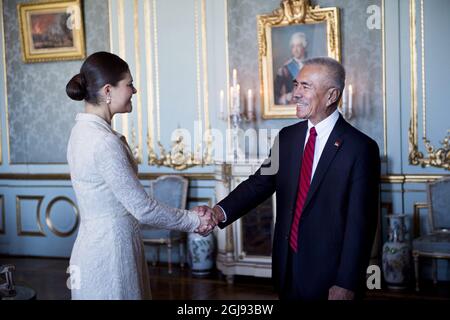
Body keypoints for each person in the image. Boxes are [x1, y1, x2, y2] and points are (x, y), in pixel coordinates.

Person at [204, 57, 380, 300]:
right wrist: (218, 212)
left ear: (331, 96)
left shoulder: (360, 148)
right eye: (296, 85)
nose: (295, 93)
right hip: (287, 267)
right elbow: (259, 184)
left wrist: (347, 282)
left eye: (305, 87)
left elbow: (361, 223)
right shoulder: (287, 138)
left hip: (331, 276)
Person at [65, 51, 215, 300]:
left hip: (93, 248)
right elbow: (142, 208)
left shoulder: (81, 132)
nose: (134, 90)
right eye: (129, 84)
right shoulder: (103, 142)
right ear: (108, 91)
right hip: (111, 257)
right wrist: (194, 221)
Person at [274, 32, 307, 105]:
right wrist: (285, 97)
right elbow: (276, 95)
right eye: (293, 46)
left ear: (304, 47)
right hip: (291, 107)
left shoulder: (311, 66)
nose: (295, 49)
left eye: (298, 46)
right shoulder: (284, 69)